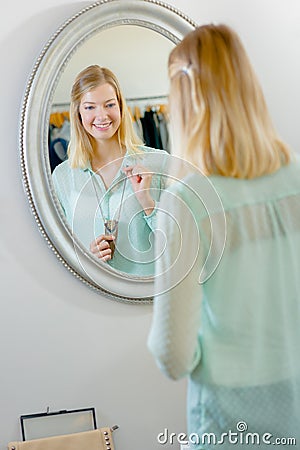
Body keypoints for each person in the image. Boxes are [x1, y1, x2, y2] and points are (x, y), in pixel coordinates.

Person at [147, 24, 300, 448]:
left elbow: (173, 355)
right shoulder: (297, 178)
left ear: (184, 99)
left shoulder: (186, 203)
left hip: (230, 416)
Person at [52, 65, 167, 276]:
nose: (102, 115)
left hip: (146, 299)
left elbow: (182, 242)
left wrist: (148, 204)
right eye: (90, 107)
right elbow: (58, 254)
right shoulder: (61, 177)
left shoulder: (159, 163)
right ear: (77, 113)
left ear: (121, 107)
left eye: (109, 104)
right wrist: (85, 258)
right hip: (91, 298)